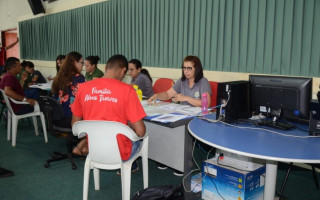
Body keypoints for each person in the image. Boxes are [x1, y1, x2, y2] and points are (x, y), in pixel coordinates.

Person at [71, 54, 146, 174]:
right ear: (123, 71)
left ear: (106, 68)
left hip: (94, 150)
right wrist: (128, 125)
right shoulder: (127, 90)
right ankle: (130, 166)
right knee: (140, 139)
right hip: (120, 151)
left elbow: (75, 127)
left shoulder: (83, 88)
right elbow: (141, 132)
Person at [148, 55, 212, 176]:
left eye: (189, 68)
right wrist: (157, 95)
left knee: (179, 130)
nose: (186, 71)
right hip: (182, 114)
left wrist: (185, 97)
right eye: (184, 68)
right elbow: (167, 94)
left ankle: (183, 162)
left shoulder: (203, 82)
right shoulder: (181, 81)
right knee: (165, 126)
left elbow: (206, 103)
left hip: (197, 117)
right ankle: (168, 159)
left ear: (196, 69)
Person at [51, 51, 85, 118]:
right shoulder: (79, 78)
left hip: (57, 115)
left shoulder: (59, 76)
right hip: (71, 116)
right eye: (82, 62)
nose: (82, 65)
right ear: (75, 63)